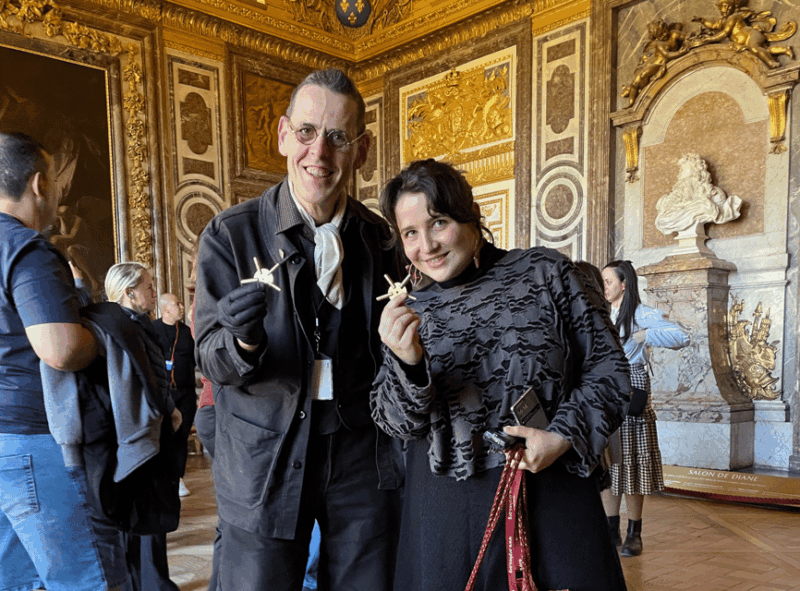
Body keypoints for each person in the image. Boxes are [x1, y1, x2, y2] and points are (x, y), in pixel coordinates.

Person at [372, 159, 631, 591]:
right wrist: (408, 366)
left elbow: (609, 371)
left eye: (438, 223)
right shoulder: (409, 309)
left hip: (549, 489)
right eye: (411, 233)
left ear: (469, 214)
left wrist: (562, 436)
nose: (427, 245)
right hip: (443, 510)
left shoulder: (547, 273)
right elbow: (392, 420)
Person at [194, 68, 403, 591]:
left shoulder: (381, 240)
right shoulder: (230, 234)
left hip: (360, 456)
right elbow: (209, 357)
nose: (320, 153)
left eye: (338, 137)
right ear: (284, 134)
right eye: (308, 132)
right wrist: (242, 341)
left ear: (362, 149)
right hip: (265, 457)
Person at [0, 131, 129, 591]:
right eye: (55, 179)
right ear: (39, 183)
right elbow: (60, 349)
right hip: (33, 438)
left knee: (18, 583)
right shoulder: (24, 247)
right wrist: (100, 337)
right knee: (89, 579)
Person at [601, 259, 689, 557]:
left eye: (608, 282)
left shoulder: (640, 313)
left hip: (632, 393)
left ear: (624, 284)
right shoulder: (602, 313)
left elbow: (681, 336)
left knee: (633, 464)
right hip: (605, 394)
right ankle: (610, 530)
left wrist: (643, 335)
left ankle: (634, 532)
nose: (604, 287)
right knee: (610, 463)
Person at [105, 262, 182, 591]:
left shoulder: (129, 324)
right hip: (145, 432)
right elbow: (148, 381)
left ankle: (147, 581)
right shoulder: (130, 328)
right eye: (149, 287)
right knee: (147, 512)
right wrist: (169, 409)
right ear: (129, 292)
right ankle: (153, 583)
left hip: (142, 431)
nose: (154, 291)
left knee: (146, 511)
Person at [152, 292, 197, 498]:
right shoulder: (152, 330)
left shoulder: (188, 332)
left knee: (181, 437)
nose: (181, 306)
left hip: (186, 393)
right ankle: (163, 477)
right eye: (176, 303)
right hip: (163, 394)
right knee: (163, 437)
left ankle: (178, 478)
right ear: (165, 309)